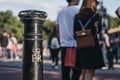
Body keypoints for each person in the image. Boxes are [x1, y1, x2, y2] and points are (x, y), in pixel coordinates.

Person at [74, 1, 105, 80]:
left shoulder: (77, 16)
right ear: (93, 4)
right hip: (92, 46)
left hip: (81, 46)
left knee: (83, 71)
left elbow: (74, 33)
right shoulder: (96, 16)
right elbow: (99, 31)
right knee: (90, 71)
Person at [56, 0, 81, 80]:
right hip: (76, 44)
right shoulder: (78, 11)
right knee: (77, 70)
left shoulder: (61, 12)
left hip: (64, 44)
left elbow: (57, 29)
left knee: (65, 71)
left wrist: (61, 41)